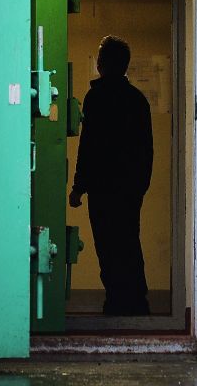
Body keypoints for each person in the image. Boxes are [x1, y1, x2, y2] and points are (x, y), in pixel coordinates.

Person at [69, 35, 153, 316]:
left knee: (107, 244)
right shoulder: (137, 100)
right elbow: (146, 149)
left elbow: (89, 145)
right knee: (129, 240)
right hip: (129, 188)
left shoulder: (97, 97)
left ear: (102, 64)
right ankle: (136, 301)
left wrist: (79, 186)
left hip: (103, 188)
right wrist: (140, 186)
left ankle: (116, 299)